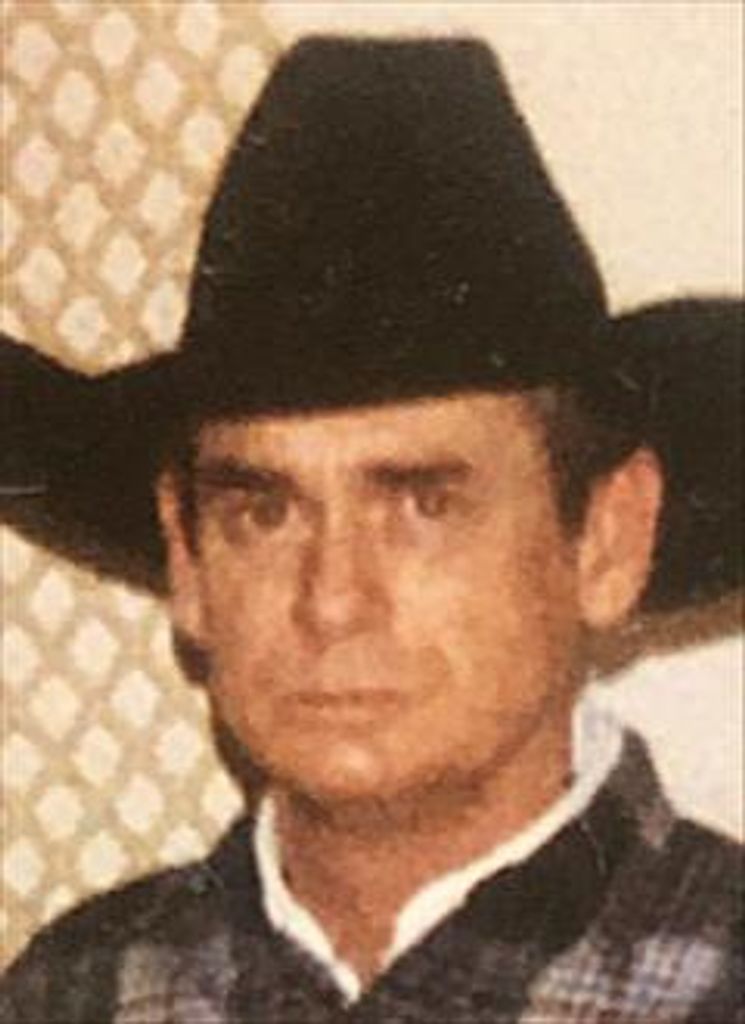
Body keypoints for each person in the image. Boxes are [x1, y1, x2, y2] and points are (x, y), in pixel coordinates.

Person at [0, 36, 741, 1023]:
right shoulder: (79, 991)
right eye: (263, 511)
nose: (332, 600)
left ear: (606, 539)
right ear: (188, 559)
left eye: (423, 505)